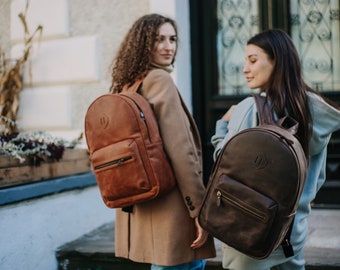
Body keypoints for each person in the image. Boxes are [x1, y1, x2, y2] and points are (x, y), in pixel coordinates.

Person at [211, 29, 340, 270]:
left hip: (250, 232)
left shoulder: (249, 108)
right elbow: (317, 177)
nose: (244, 69)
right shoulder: (312, 110)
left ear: (276, 61)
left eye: (252, 60)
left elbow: (224, 164)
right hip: (293, 232)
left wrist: (222, 126)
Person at [109, 14, 216, 270]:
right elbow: (181, 150)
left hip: (145, 204)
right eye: (159, 40)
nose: (169, 47)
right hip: (172, 205)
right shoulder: (159, 80)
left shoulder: (130, 84)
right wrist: (198, 209)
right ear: (144, 44)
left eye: (173, 39)